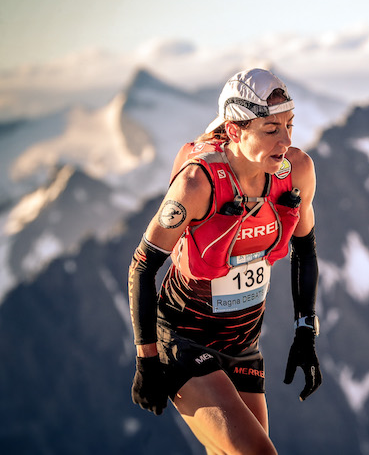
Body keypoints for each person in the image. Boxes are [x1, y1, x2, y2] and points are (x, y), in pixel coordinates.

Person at [127, 68, 322, 455]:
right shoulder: (197, 186)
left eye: (289, 125)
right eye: (271, 130)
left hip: (244, 344)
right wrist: (147, 360)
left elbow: (306, 250)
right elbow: (142, 266)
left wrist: (305, 333)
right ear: (234, 131)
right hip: (184, 339)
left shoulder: (297, 172)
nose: (285, 140)